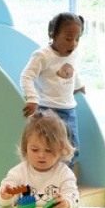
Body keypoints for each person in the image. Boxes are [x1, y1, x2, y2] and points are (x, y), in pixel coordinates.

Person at [20, 12, 86, 165]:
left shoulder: (73, 54)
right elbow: (26, 76)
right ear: (53, 34)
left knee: (72, 150)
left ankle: (63, 180)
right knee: (48, 148)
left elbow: (71, 70)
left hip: (69, 110)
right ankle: (48, 180)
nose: (73, 43)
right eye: (68, 38)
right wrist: (32, 98)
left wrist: (78, 86)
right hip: (47, 110)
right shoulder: (43, 55)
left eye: (77, 39)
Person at [0, 110, 79, 208]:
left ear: (61, 149)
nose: (41, 155)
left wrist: (67, 202)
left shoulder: (64, 173)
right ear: (25, 148)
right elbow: (3, 200)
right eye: (34, 150)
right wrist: (5, 196)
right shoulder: (18, 173)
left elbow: (73, 195)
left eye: (48, 150)